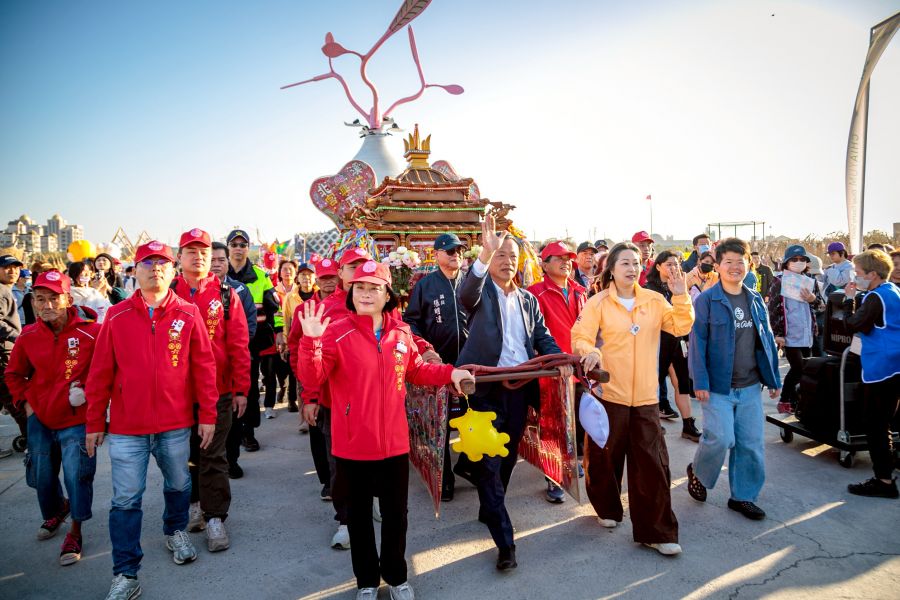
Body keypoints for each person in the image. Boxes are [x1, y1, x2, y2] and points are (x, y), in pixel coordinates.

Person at [298, 260, 473, 600]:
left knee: (396, 517)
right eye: (360, 287)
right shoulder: (336, 330)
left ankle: (395, 577)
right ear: (351, 293)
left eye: (374, 287)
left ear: (387, 294)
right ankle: (366, 582)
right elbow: (312, 378)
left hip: (394, 444)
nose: (366, 293)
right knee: (360, 519)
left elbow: (418, 371)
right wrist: (311, 343)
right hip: (351, 445)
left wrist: (451, 373)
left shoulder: (400, 333)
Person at [85, 241, 219, 600]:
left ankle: (174, 531)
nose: (155, 268)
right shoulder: (115, 315)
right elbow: (99, 372)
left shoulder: (188, 313)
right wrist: (95, 420)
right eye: (148, 262)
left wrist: (208, 415)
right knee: (125, 500)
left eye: (162, 262)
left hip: (175, 424)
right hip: (128, 428)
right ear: (135, 270)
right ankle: (126, 573)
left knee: (178, 485)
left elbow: (205, 368)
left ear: (172, 270)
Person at [455, 214, 569, 571]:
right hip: (484, 390)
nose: (507, 261)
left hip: (519, 390)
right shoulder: (479, 292)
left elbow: (542, 338)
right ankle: (506, 543)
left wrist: (563, 358)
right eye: (500, 255)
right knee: (489, 465)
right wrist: (483, 257)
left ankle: (489, 505)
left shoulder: (528, 300)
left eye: (512, 256)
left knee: (506, 458)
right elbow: (465, 293)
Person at [572, 241, 693, 557]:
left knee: (651, 464)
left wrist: (680, 294)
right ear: (611, 268)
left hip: (646, 397)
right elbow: (582, 337)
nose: (632, 268)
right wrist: (591, 352)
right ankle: (607, 508)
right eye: (625, 262)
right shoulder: (598, 303)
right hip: (610, 393)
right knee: (604, 457)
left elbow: (680, 325)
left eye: (637, 262)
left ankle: (657, 531)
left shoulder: (655, 300)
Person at [5, 270, 101, 565]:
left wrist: (89, 393)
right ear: (32, 302)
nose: (46, 306)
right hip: (41, 420)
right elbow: (14, 374)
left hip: (77, 419)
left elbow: (106, 372)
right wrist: (26, 403)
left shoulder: (91, 332)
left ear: (68, 299)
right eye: (40, 299)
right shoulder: (29, 336)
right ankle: (58, 510)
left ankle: (75, 530)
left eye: (53, 299)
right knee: (41, 477)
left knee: (77, 475)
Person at [684, 238, 782, 520]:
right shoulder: (706, 300)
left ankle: (743, 496)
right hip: (718, 387)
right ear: (717, 266)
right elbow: (698, 342)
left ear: (748, 264)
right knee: (720, 438)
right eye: (728, 262)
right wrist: (699, 382)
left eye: (740, 262)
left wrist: (773, 377)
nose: (735, 267)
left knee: (750, 444)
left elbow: (764, 341)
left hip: (750, 386)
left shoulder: (754, 300)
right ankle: (699, 472)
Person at [172, 228, 251, 552]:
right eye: (191, 251)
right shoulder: (166, 293)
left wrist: (242, 388)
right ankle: (192, 503)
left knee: (213, 454)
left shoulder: (225, 295)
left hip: (217, 391)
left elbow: (238, 343)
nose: (199, 256)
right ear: (179, 257)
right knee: (183, 455)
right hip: (174, 394)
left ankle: (216, 516)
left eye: (204, 251)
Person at [402, 233, 469, 501]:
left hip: (470, 362)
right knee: (441, 422)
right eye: (450, 251)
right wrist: (426, 350)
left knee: (473, 416)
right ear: (437, 255)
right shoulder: (426, 286)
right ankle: (446, 478)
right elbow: (411, 321)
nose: (456, 256)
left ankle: (469, 466)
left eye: (460, 251)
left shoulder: (471, 283)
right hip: (439, 364)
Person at [526, 240, 588, 490]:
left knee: (579, 422)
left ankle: (574, 463)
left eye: (569, 258)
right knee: (553, 425)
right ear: (544, 263)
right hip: (551, 370)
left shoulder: (580, 291)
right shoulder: (534, 293)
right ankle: (553, 477)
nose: (566, 262)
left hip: (580, 367)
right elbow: (533, 335)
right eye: (559, 258)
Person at [841, 250, 900, 499]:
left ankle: (884, 481)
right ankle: (886, 473)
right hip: (895, 364)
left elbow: (854, 324)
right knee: (885, 421)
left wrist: (848, 299)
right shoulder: (893, 291)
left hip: (882, 367)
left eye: (859, 272)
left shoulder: (875, 297)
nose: (856, 276)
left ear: (873, 274)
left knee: (876, 425)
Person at [226, 229, 279, 454]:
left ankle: (248, 433)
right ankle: (227, 434)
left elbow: (273, 307)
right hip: (220, 343)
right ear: (228, 247)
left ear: (248, 248)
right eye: (234, 244)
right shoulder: (216, 273)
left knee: (249, 388)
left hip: (251, 343)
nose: (239, 248)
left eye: (243, 244)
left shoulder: (260, 275)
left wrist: (276, 332)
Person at [288, 258, 339, 484]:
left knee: (333, 431)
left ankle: (337, 479)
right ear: (317, 280)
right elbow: (294, 344)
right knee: (317, 429)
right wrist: (301, 377)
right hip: (310, 377)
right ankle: (326, 481)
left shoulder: (351, 305)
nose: (329, 282)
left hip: (336, 380)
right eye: (324, 278)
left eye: (332, 277)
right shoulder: (304, 310)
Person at [644, 250, 702, 441]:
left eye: (676, 264)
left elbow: (687, 313)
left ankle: (688, 424)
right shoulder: (648, 289)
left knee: (682, 384)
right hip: (657, 342)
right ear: (658, 266)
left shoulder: (681, 284)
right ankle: (652, 424)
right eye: (669, 264)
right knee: (653, 386)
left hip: (678, 341)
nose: (674, 267)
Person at [211, 241, 257, 478]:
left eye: (221, 259)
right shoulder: (186, 292)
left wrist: (231, 347)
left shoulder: (238, 290)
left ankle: (232, 460)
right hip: (203, 372)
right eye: (212, 260)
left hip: (233, 365)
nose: (216, 264)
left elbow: (249, 324)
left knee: (233, 419)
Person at [768, 245, 822, 414]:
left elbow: (821, 305)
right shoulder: (779, 281)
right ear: (786, 263)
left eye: (802, 260)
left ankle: (797, 400)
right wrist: (778, 333)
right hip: (789, 335)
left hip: (807, 333)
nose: (798, 263)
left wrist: (813, 299)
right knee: (798, 368)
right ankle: (784, 400)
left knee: (807, 369)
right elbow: (773, 308)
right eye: (794, 260)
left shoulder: (810, 281)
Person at [0, 254, 25, 459]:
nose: (13, 271)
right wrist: (19, 337)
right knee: (12, 397)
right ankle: (31, 438)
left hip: (6, 349)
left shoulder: (5, 289)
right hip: (3, 352)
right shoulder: (1, 290)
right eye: (7, 267)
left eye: (16, 268)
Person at [271, 259, 298, 415]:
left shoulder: (300, 291)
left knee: (293, 368)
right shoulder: (273, 291)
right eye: (285, 269)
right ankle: (282, 386)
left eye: (290, 269)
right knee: (280, 368)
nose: (288, 272)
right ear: (280, 272)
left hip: (295, 335)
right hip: (278, 332)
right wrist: (280, 332)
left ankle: (292, 398)